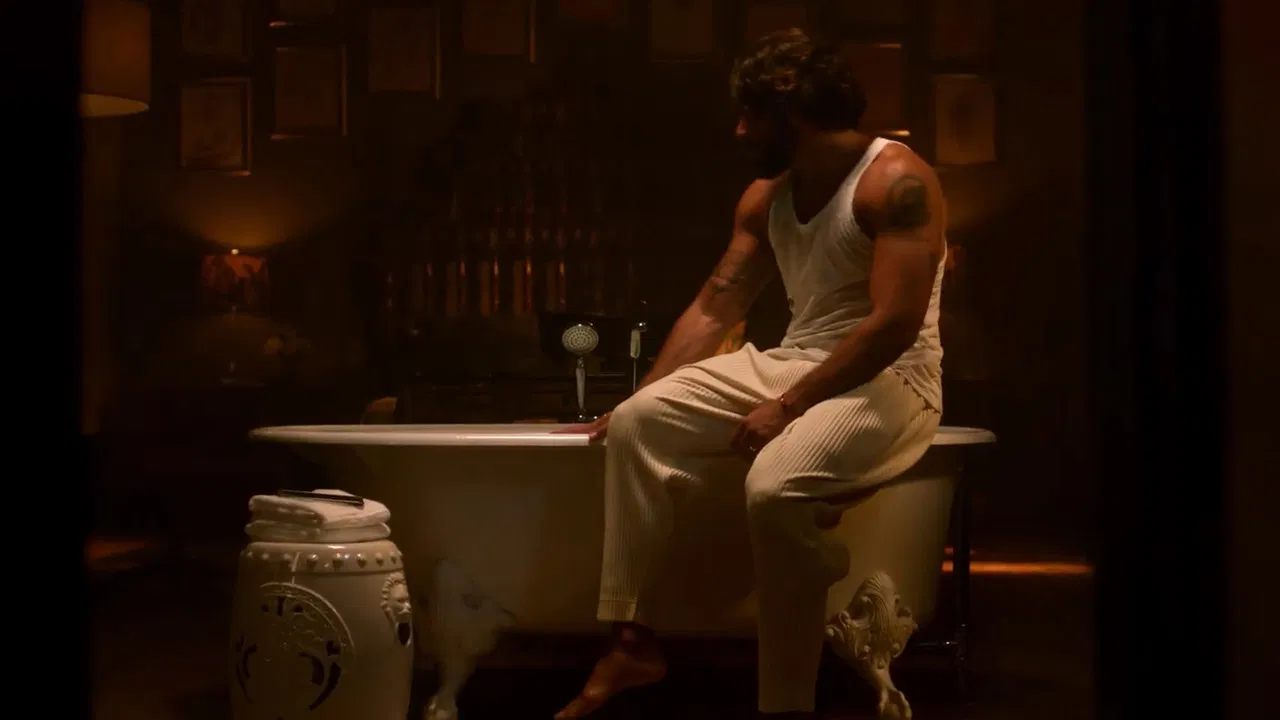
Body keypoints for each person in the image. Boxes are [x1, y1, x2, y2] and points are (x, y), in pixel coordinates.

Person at [553, 28, 948, 719]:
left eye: (751, 115)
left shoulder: (897, 183)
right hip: (797, 361)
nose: (739, 131)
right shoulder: (767, 197)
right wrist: (643, 395)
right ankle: (632, 643)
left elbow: (894, 325)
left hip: (894, 379)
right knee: (641, 424)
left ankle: (785, 703)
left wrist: (789, 408)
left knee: (772, 488)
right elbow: (717, 304)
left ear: (794, 114)